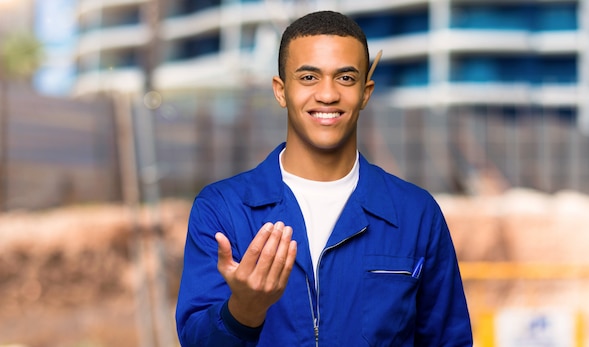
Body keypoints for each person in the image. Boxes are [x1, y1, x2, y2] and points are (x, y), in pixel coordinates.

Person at [175, 10, 472, 346]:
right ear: (280, 90)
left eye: (345, 78)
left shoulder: (416, 214)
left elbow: (449, 340)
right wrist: (242, 311)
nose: (328, 94)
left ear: (366, 92)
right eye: (309, 78)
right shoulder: (222, 210)